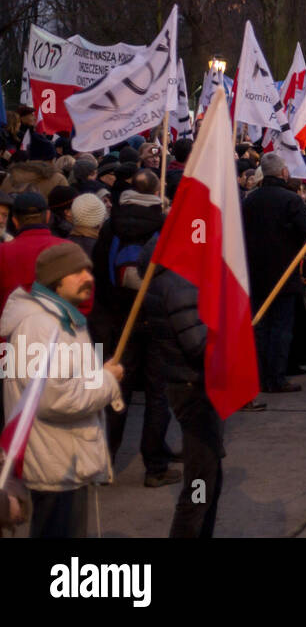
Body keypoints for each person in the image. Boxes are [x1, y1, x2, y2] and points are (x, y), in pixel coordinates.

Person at [0, 243, 124, 537]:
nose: (88, 278)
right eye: (77, 272)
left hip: (68, 459)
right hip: (56, 463)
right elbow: (55, 399)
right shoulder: (40, 326)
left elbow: (75, 380)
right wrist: (107, 382)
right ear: (56, 279)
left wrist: (103, 375)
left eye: (89, 270)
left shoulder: (67, 318)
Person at [89, 168, 177, 486]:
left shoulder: (111, 225)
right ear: (156, 192)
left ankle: (104, 463)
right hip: (156, 320)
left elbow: (99, 270)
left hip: (118, 320)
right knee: (157, 394)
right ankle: (155, 466)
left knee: (117, 391)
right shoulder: (166, 224)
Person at [139, 245, 224, 537]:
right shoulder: (178, 284)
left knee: (208, 477)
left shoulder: (167, 278)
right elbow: (197, 343)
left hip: (187, 383)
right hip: (193, 387)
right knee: (200, 483)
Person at [242, 152, 306, 396]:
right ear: (283, 172)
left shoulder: (249, 200)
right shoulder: (291, 201)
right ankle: (276, 377)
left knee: (260, 327)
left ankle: (260, 376)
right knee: (281, 328)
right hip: (284, 274)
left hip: (254, 273)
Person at [0, 192, 66, 308]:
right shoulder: (68, 249)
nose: (0, 220)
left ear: (14, 221)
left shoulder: (6, 249)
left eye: (4, 215)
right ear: (48, 216)